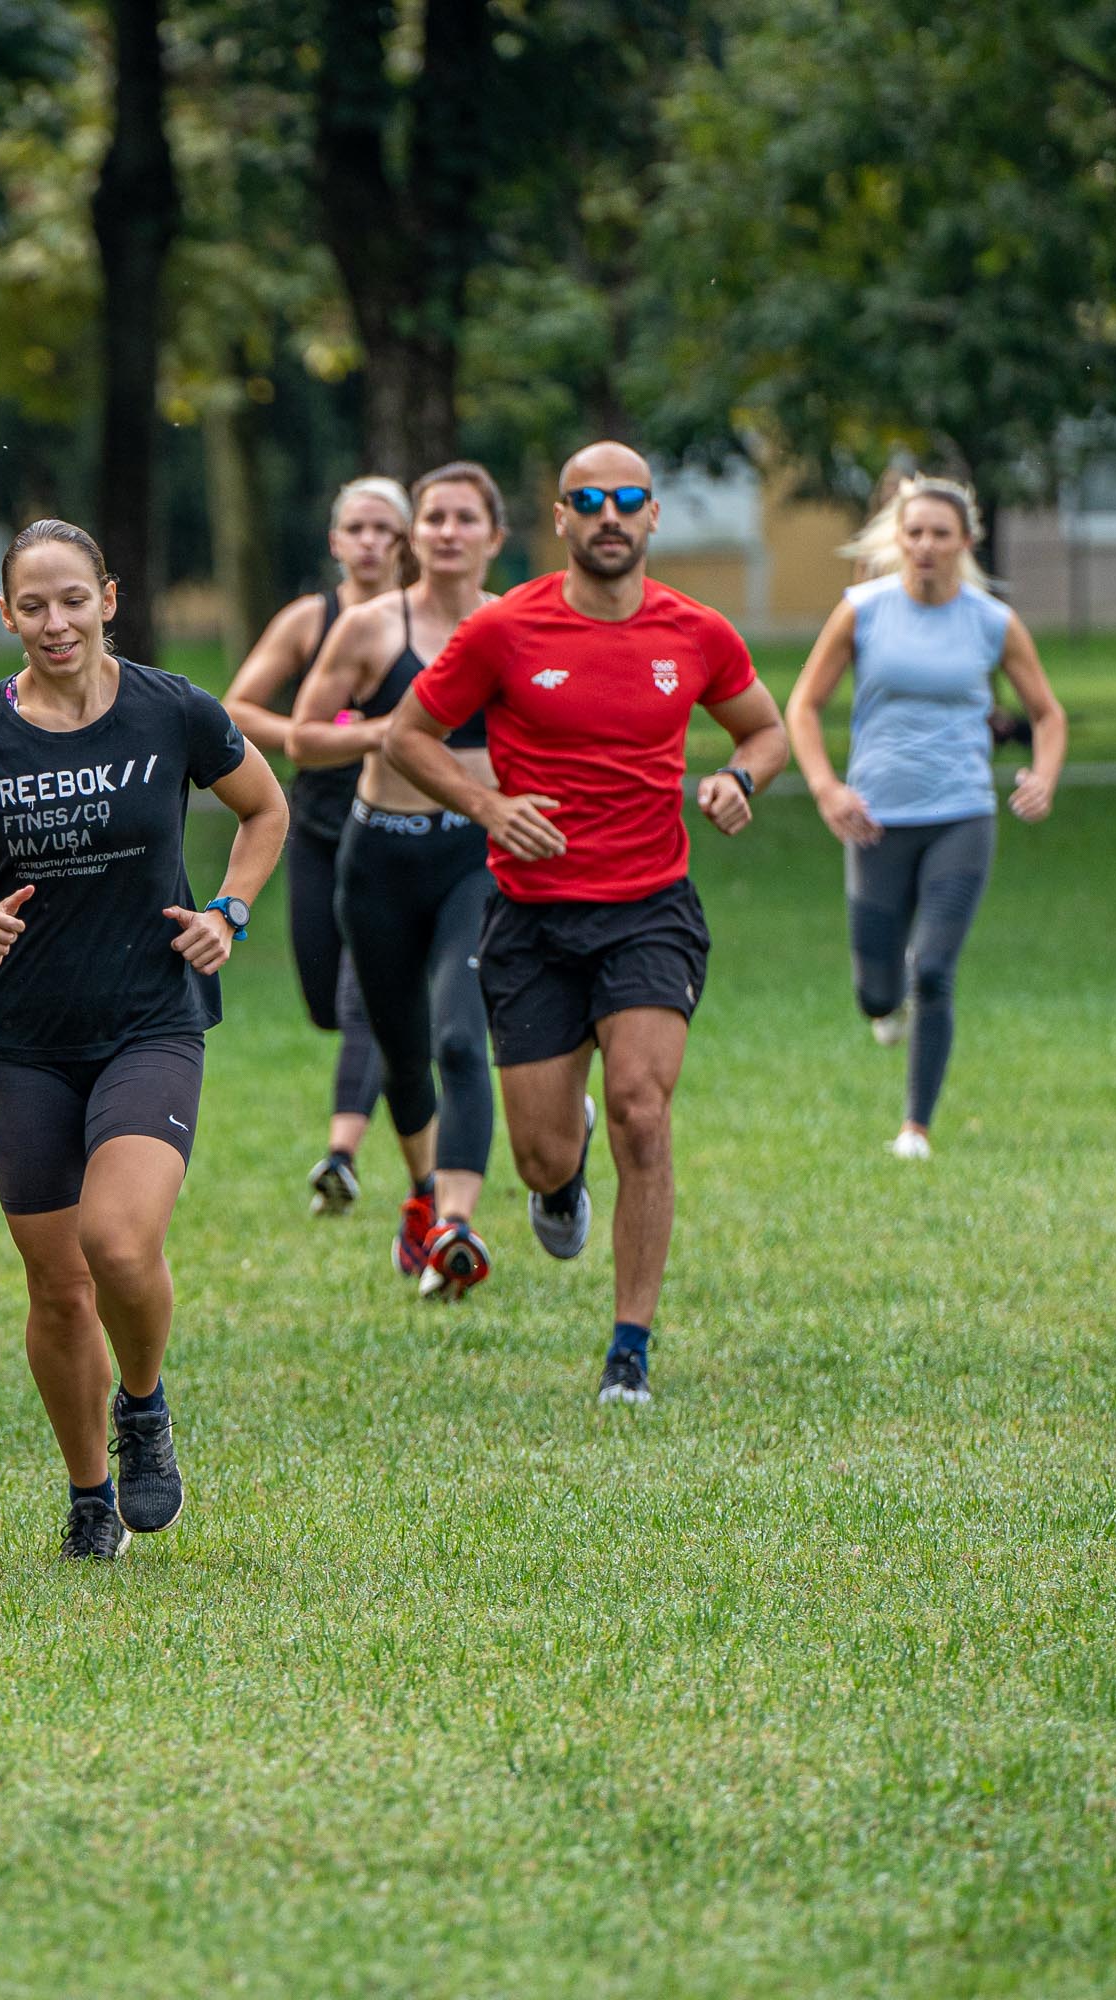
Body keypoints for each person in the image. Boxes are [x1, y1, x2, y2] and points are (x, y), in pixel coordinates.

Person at [0, 521, 289, 1560]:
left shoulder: (174, 710)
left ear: (108, 597)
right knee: (55, 1283)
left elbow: (264, 810)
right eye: (34, 605)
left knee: (116, 1241)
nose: (56, 621)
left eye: (73, 598)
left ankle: (146, 1406)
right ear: (6, 615)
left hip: (150, 1019)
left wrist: (232, 912)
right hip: (22, 1036)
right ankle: (86, 1495)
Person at [381, 443, 789, 1408]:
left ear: (652, 519)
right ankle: (562, 1175)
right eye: (589, 501)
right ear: (560, 518)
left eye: (629, 501)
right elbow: (406, 736)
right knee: (542, 1155)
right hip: (530, 917)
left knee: (646, 1112)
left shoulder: (696, 632)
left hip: (651, 907)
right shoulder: (506, 628)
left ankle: (629, 1352)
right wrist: (489, 809)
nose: (611, 515)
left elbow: (763, 730)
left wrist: (739, 778)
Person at [785, 474, 1067, 1159]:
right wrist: (826, 788)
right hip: (875, 820)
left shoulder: (991, 621)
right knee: (877, 991)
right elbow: (803, 706)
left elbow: (1047, 714)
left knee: (934, 968)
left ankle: (916, 1127)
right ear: (898, 538)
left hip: (960, 816)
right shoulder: (863, 610)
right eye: (914, 533)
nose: (927, 545)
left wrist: (1044, 777)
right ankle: (888, 1007)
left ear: (965, 541)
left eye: (942, 533)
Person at [289, 464, 507, 1303]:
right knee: (402, 1050)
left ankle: (458, 1221)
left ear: (494, 535)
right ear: (416, 536)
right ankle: (422, 1194)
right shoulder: (371, 627)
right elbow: (305, 737)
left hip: (470, 860)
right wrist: (391, 730)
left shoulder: (517, 627)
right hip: (376, 857)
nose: (448, 531)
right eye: (435, 518)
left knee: (459, 1038)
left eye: (466, 518)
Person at [220, 478, 410, 1216]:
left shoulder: (423, 622)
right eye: (356, 528)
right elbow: (235, 706)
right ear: (335, 541)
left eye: (383, 530)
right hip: (318, 825)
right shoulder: (310, 619)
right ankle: (411, 1042)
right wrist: (321, 738)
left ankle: (343, 1154)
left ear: (405, 543)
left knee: (368, 994)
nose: (368, 542)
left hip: (396, 832)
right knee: (327, 1002)